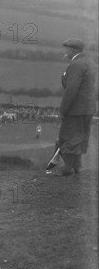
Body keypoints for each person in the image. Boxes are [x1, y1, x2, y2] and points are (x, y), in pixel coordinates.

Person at [53, 38, 97, 176]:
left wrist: (63, 110)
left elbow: (71, 90)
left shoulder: (76, 65)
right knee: (81, 136)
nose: (65, 51)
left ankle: (67, 168)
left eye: (66, 49)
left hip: (75, 109)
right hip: (88, 108)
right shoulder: (90, 62)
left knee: (70, 136)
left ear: (72, 50)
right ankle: (77, 167)